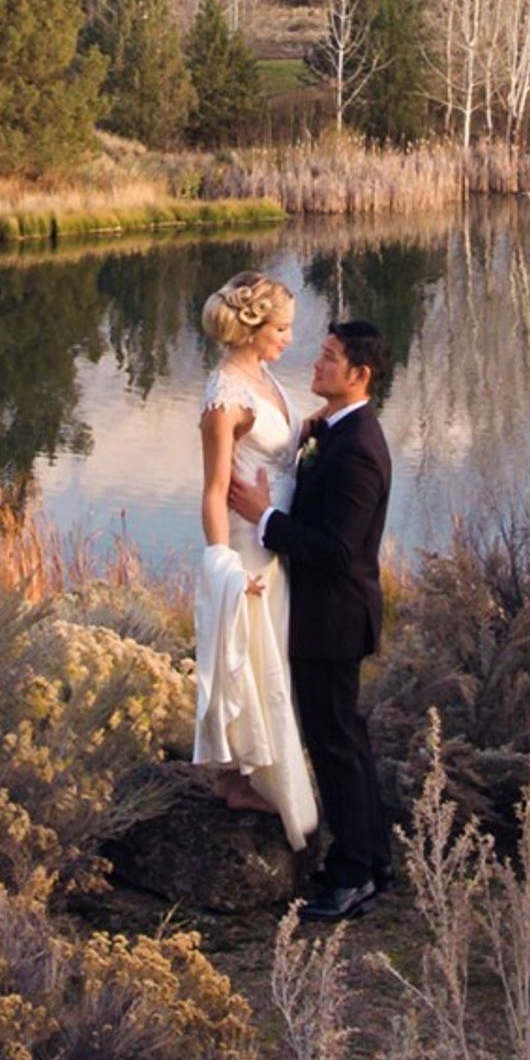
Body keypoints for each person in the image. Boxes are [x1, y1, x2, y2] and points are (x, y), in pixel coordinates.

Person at [228, 318, 394, 921]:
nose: (317, 364)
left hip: (334, 620)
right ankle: (373, 859)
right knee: (345, 739)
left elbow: (336, 549)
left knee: (335, 745)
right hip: (327, 617)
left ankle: (352, 877)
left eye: (328, 358)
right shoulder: (337, 431)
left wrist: (264, 518)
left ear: (359, 374)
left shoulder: (359, 452)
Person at [186, 273, 317, 850]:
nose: (290, 338)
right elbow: (215, 490)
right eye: (282, 328)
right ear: (253, 327)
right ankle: (240, 780)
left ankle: (255, 768)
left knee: (274, 657)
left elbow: (281, 447)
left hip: (275, 539)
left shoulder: (260, 376)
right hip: (247, 545)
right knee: (249, 654)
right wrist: (226, 569)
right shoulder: (224, 400)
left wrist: (317, 426)